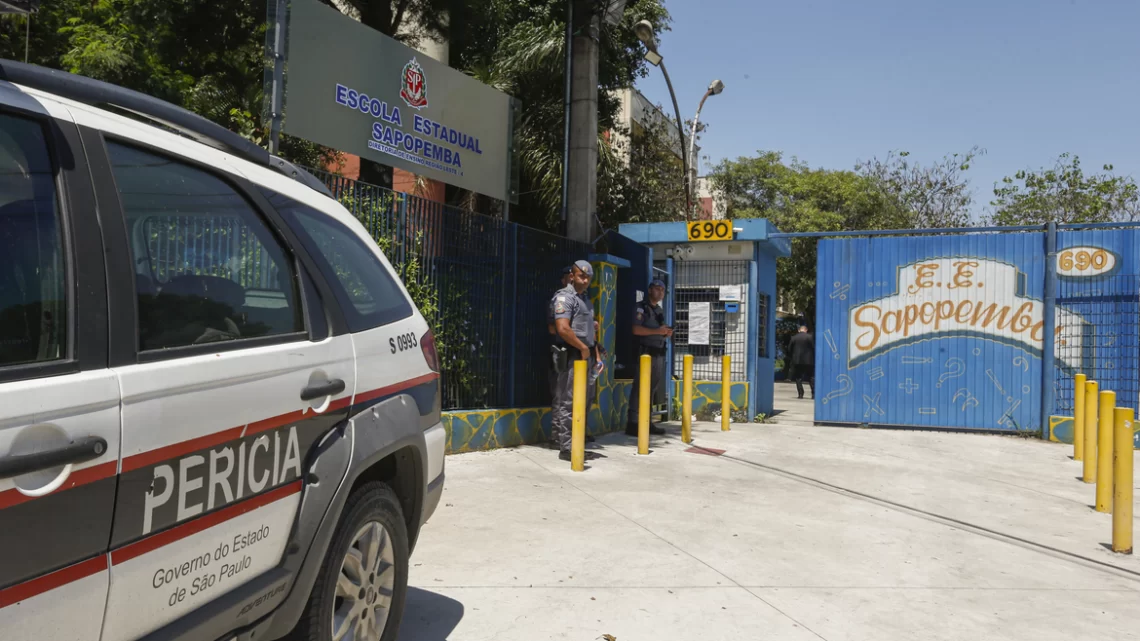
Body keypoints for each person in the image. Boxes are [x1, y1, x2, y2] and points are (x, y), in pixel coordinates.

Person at [550, 260, 600, 461]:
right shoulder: (564, 297)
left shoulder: (585, 300)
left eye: (588, 277)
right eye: (581, 275)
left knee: (584, 401)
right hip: (572, 355)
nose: (585, 280)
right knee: (569, 402)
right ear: (572, 276)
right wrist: (581, 348)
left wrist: (594, 353)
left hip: (585, 356)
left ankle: (577, 443)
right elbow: (562, 328)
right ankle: (567, 448)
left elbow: (589, 333)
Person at [627, 279, 672, 436]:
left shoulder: (659, 310)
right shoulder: (641, 308)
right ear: (650, 290)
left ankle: (647, 421)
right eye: (657, 289)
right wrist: (658, 332)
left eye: (662, 290)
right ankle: (633, 422)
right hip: (644, 354)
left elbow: (658, 331)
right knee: (640, 388)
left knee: (652, 390)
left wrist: (665, 333)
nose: (660, 292)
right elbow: (636, 329)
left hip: (658, 353)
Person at [788, 325, 815, 399]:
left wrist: (792, 357)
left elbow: (789, 349)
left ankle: (800, 394)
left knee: (798, 378)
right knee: (811, 377)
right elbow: (814, 348)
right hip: (809, 360)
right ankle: (813, 394)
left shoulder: (794, 338)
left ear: (799, 330)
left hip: (797, 360)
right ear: (806, 330)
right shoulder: (810, 337)